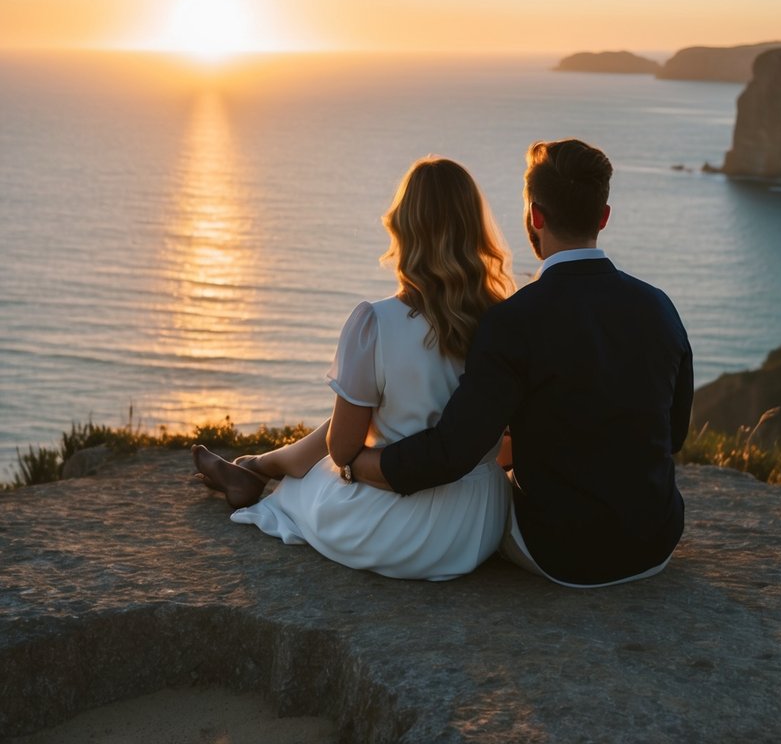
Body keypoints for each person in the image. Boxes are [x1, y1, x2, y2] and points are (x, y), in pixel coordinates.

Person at [352, 138, 694, 588]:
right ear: (604, 217)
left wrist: (356, 464)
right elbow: (674, 435)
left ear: (535, 215)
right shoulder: (659, 307)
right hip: (655, 544)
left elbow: (449, 455)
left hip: (563, 556)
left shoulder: (514, 321)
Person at [192, 156, 514, 581]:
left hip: (404, 526)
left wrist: (354, 456)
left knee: (309, 480)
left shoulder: (375, 323)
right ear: (474, 228)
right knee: (364, 413)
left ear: (404, 227)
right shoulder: (506, 321)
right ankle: (255, 467)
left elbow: (343, 451)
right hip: (478, 523)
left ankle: (258, 470)